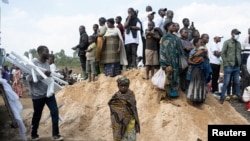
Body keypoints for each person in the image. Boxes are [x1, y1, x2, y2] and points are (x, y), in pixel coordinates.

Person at [26, 45, 63, 140]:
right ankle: (34, 134)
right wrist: (42, 76)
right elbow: (28, 78)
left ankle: (55, 134)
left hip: (48, 93)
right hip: (37, 94)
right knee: (37, 115)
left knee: (55, 111)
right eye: (45, 52)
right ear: (40, 53)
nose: (48, 54)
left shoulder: (47, 64)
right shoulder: (33, 63)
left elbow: (48, 77)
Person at [108, 76, 140, 141]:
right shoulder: (115, 98)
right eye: (121, 86)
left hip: (131, 125)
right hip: (120, 126)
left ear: (128, 86)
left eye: (125, 85)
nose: (123, 87)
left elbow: (133, 109)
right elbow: (114, 112)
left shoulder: (131, 95)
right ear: (118, 86)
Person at [219, 29, 242, 104]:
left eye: (238, 34)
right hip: (229, 66)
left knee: (237, 82)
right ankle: (222, 98)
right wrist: (226, 63)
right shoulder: (227, 42)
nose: (237, 35)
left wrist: (239, 64)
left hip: (236, 66)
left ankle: (239, 97)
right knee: (226, 82)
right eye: (236, 34)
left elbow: (239, 54)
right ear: (232, 34)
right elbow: (223, 53)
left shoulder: (238, 43)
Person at [159, 22, 182, 98]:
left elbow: (180, 50)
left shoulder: (176, 38)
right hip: (168, 62)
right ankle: (168, 94)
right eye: (173, 26)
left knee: (176, 76)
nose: (175, 27)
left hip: (176, 61)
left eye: (175, 26)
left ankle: (175, 92)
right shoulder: (164, 38)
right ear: (168, 27)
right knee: (168, 78)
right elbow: (162, 51)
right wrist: (164, 64)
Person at [186, 38, 211, 103]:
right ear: (196, 43)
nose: (202, 43)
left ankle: (200, 99)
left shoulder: (204, 51)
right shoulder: (193, 51)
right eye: (200, 42)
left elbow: (206, 59)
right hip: (195, 70)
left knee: (201, 84)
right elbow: (189, 61)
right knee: (195, 83)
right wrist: (195, 63)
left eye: (202, 42)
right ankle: (193, 98)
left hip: (202, 70)